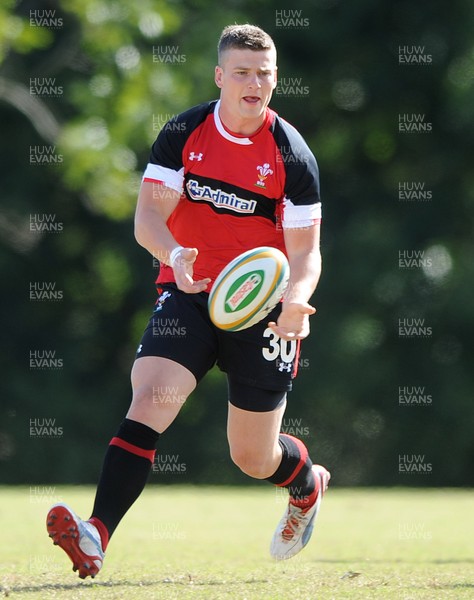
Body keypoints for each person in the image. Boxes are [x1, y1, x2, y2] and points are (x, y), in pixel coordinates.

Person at [46, 23, 330, 579]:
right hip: (189, 292)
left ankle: (304, 482)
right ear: (220, 76)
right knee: (151, 398)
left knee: (251, 458)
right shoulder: (184, 132)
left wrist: (296, 300)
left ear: (275, 80)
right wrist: (174, 256)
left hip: (261, 307)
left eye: (265, 74)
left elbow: (306, 252)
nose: (255, 83)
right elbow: (148, 218)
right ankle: (95, 534)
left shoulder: (292, 155)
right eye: (242, 73)